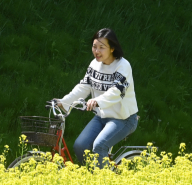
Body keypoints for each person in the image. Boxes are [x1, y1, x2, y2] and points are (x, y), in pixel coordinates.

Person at [58, 28, 139, 168]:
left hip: (123, 118)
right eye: (94, 47)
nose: (97, 51)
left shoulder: (123, 65)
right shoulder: (94, 65)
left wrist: (97, 100)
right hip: (102, 116)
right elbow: (84, 87)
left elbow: (116, 91)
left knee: (99, 145)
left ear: (112, 48)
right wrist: (63, 102)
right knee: (80, 146)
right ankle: (93, 177)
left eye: (102, 47)